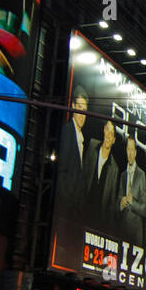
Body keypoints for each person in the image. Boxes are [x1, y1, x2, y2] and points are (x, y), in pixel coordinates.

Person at [82, 120, 120, 234]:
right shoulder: (92, 145)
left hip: (98, 222)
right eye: (107, 130)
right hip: (81, 212)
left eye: (112, 133)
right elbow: (82, 175)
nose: (108, 135)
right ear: (103, 130)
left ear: (114, 140)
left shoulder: (115, 169)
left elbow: (111, 203)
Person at [57, 86, 90, 214]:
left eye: (85, 110)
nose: (82, 114)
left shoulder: (81, 138)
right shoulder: (67, 131)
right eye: (79, 108)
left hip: (75, 211)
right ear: (73, 106)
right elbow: (62, 171)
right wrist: (68, 202)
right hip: (65, 208)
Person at [117, 136, 146, 246]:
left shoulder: (141, 175)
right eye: (128, 149)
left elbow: (145, 209)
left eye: (132, 150)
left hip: (136, 233)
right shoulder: (122, 175)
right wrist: (120, 205)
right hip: (122, 231)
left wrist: (132, 202)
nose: (129, 153)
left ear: (135, 152)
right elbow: (116, 203)